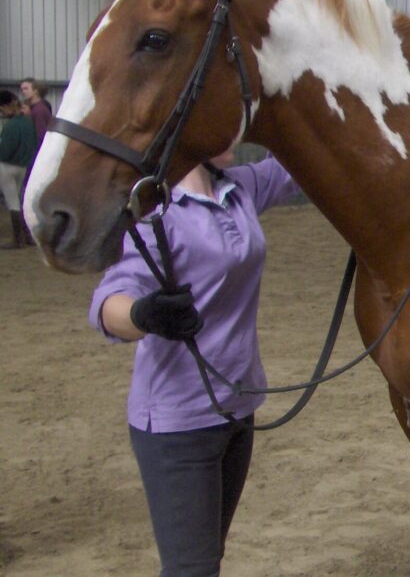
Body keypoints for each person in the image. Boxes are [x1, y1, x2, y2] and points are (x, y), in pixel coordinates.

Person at [90, 149, 301, 576]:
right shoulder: (156, 213)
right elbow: (107, 301)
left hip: (236, 409)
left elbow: (299, 161)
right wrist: (142, 314)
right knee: (192, 570)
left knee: (205, 560)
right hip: (178, 422)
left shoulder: (239, 186)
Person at [0, 90, 36, 249]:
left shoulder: (11, 126)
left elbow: (5, 151)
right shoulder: (28, 123)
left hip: (7, 167)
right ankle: (27, 235)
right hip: (23, 166)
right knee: (20, 200)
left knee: (12, 201)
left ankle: (17, 239)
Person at [19, 78, 52, 149]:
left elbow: (40, 135)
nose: (23, 92)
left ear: (36, 90)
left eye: (26, 89)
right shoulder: (34, 108)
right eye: (22, 89)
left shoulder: (39, 110)